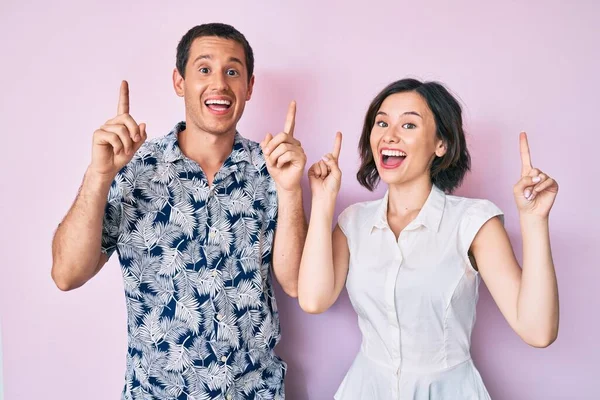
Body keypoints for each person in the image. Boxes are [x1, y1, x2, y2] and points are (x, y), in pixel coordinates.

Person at [51, 23, 307, 400]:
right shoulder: (133, 167)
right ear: (179, 81)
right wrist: (99, 174)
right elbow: (66, 274)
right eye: (204, 69)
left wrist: (291, 192)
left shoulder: (272, 170)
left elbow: (295, 283)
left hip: (254, 391)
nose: (219, 83)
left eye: (232, 71)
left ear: (249, 87)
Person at [298, 78, 559, 399]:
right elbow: (313, 300)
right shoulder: (353, 222)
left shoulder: (474, 222)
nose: (389, 135)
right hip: (365, 388)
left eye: (409, 124)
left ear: (441, 144)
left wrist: (535, 221)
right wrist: (322, 202)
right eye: (381, 122)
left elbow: (538, 331)